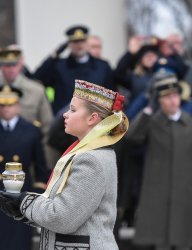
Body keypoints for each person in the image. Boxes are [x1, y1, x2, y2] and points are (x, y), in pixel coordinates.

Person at [0, 79, 128, 249]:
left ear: (92, 118)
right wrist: (22, 211)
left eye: (73, 110)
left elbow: (62, 218)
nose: (65, 114)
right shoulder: (88, 153)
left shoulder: (91, 160)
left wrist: (24, 202)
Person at [126, 70, 192, 250]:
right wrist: (147, 110)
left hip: (185, 193)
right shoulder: (152, 122)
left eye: (175, 95)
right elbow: (132, 137)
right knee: (160, 241)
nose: (172, 100)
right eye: (167, 97)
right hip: (158, 194)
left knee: (184, 241)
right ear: (159, 101)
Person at [0, 85, 49, 250]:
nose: (6, 109)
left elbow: (41, 167)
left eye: (10, 104)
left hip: (20, 192)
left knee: (18, 239)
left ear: (18, 105)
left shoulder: (31, 130)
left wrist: (38, 196)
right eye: (2, 105)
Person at [34, 25, 114, 114]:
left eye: (82, 41)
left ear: (87, 42)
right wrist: (55, 53)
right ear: (69, 44)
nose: (79, 45)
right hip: (66, 119)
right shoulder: (59, 66)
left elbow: (111, 96)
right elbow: (37, 78)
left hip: (94, 119)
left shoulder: (102, 66)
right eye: (75, 41)